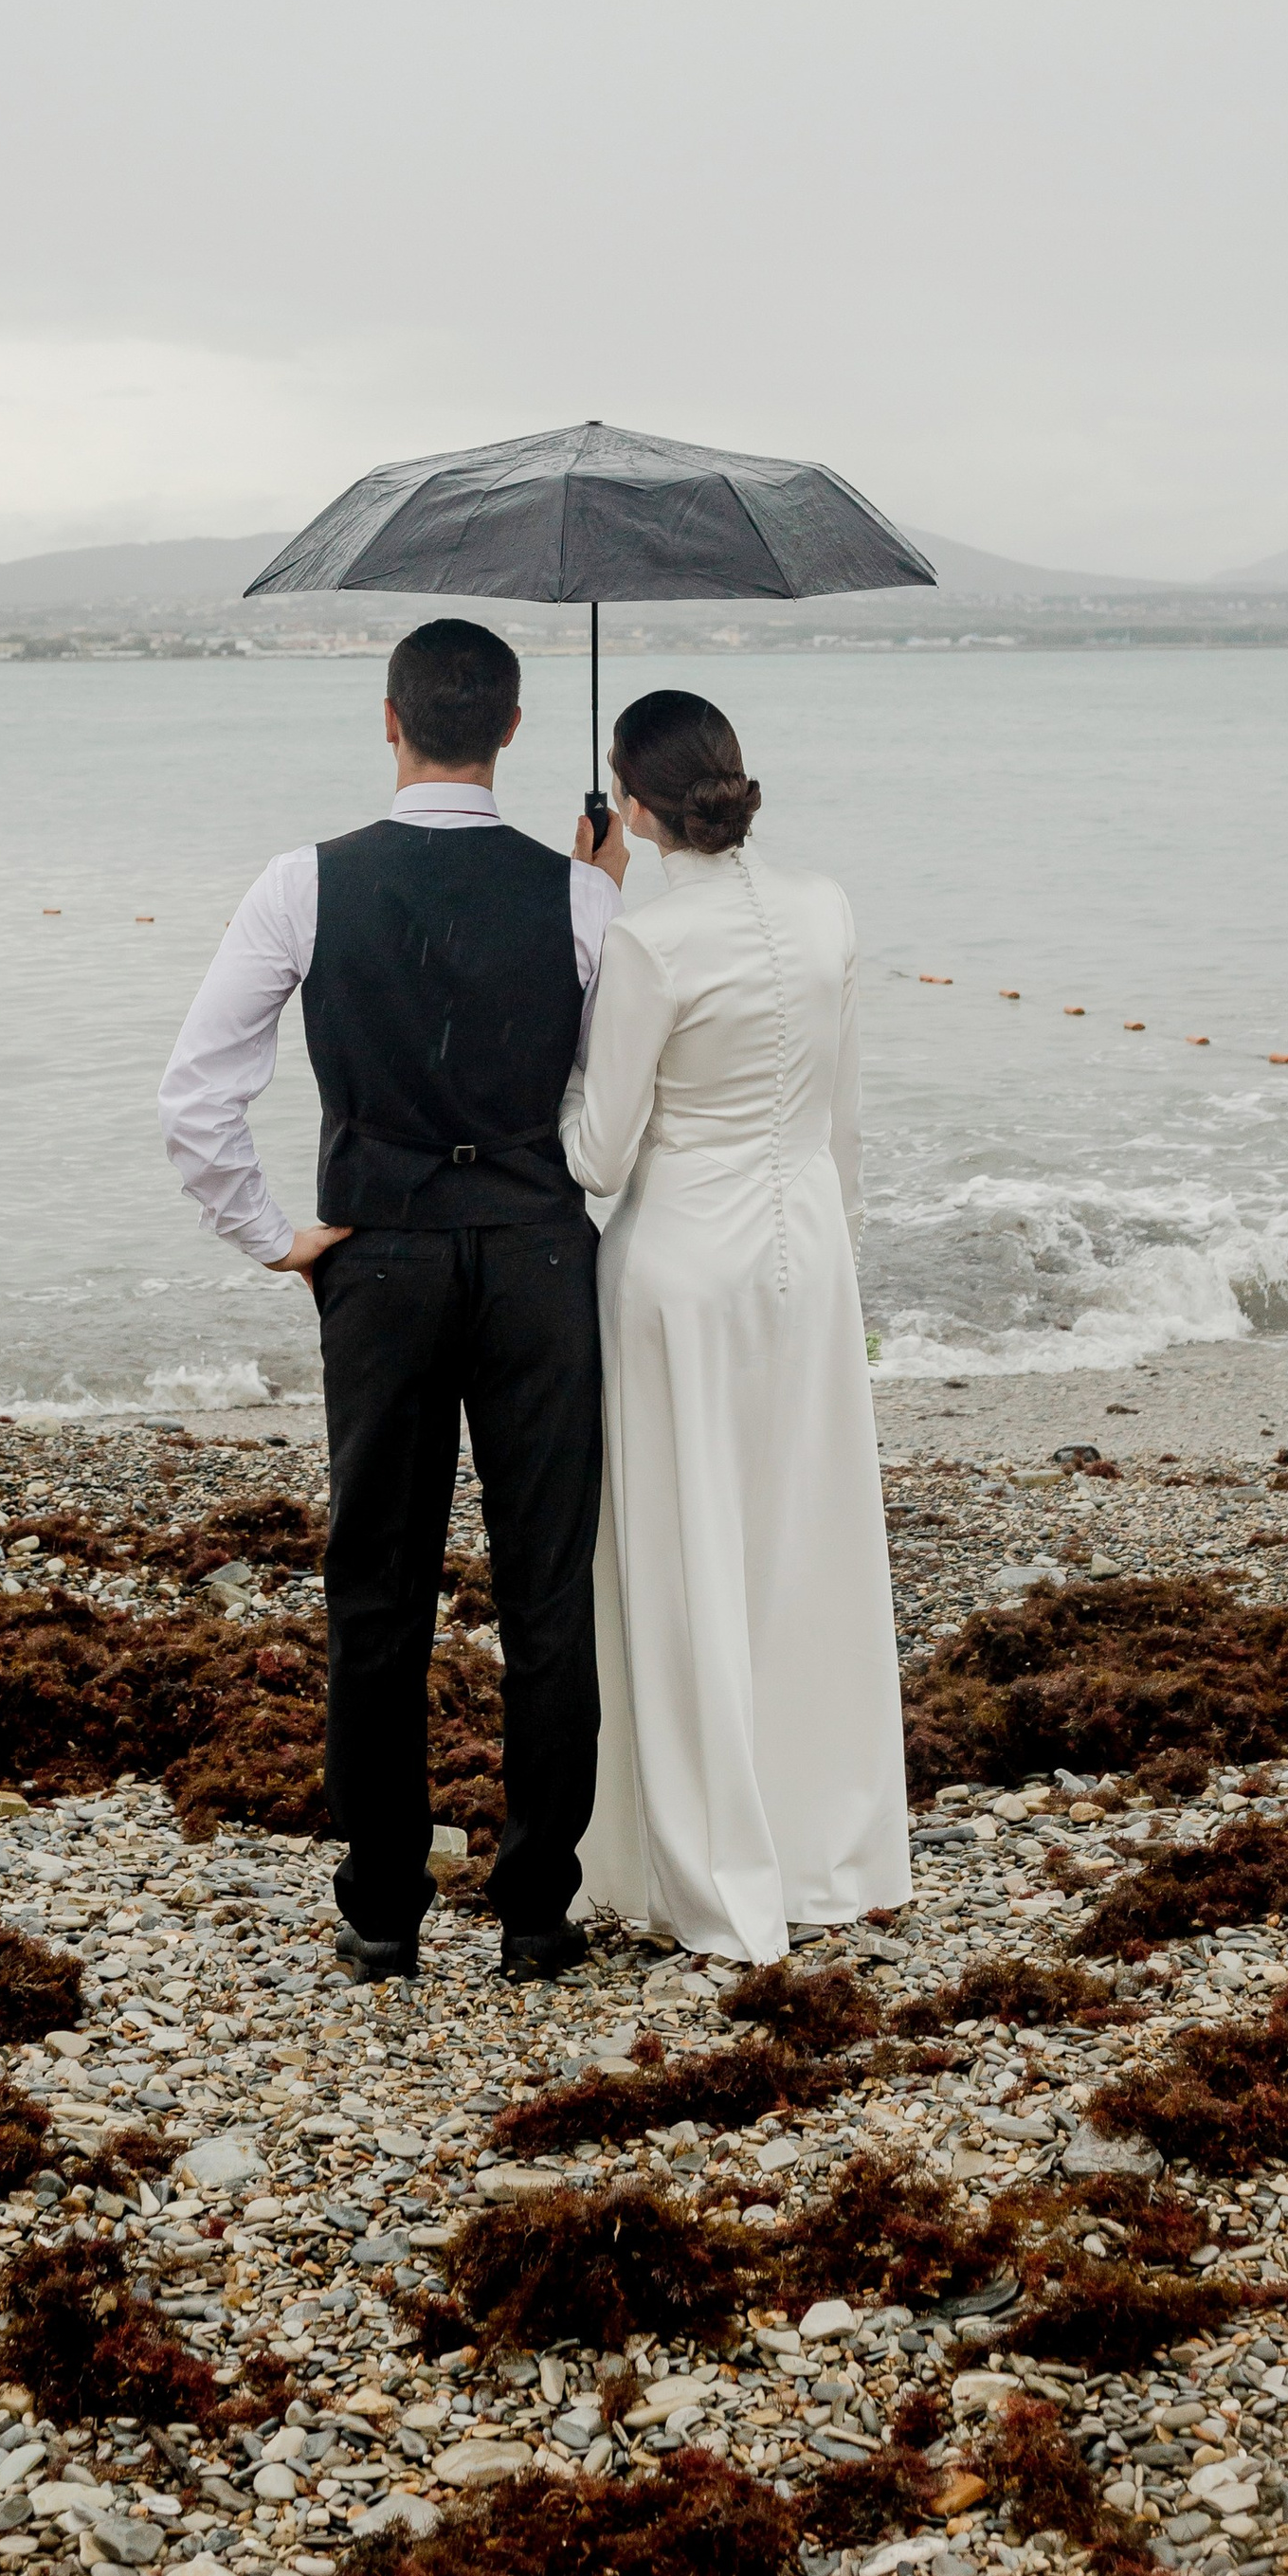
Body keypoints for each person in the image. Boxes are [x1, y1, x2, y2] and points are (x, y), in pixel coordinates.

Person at [157, 618, 626, 1986]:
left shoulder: (303, 882)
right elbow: (612, 1105)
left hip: (380, 1258)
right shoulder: (581, 897)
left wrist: (274, 1238)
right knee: (548, 1585)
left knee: (377, 1583)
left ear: (389, 718)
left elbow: (196, 1098)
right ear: (514, 729)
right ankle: (536, 1910)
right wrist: (601, 893)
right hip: (539, 1254)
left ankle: (380, 1908)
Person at [562, 686, 910, 1965]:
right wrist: (837, 1254)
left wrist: (563, 1045)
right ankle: (830, 1847)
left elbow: (599, 1154)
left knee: (686, 1553)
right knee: (803, 1545)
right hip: (807, 1252)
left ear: (633, 804)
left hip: (681, 1272)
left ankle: (710, 1863)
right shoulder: (827, 908)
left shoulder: (648, 941)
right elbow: (844, 1122)